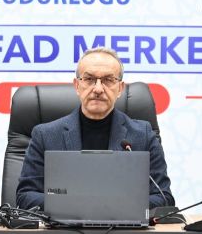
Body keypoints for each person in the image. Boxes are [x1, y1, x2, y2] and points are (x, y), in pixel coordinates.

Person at [16, 46, 174, 210]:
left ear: (120, 88)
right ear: (77, 85)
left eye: (108, 80)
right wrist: (79, 204)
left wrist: (110, 206)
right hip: (64, 226)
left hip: (124, 226)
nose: (98, 89)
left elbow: (164, 198)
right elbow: (25, 196)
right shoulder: (45, 135)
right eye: (89, 79)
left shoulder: (143, 135)